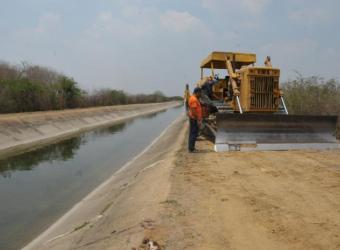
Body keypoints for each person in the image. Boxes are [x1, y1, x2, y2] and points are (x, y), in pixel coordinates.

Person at [188, 87, 202, 153]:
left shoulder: (194, 98)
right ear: (197, 92)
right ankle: (191, 149)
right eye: (200, 93)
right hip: (194, 118)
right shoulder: (193, 99)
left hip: (194, 118)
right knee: (193, 133)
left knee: (193, 133)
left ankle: (192, 147)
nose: (201, 94)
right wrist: (198, 119)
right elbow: (193, 110)